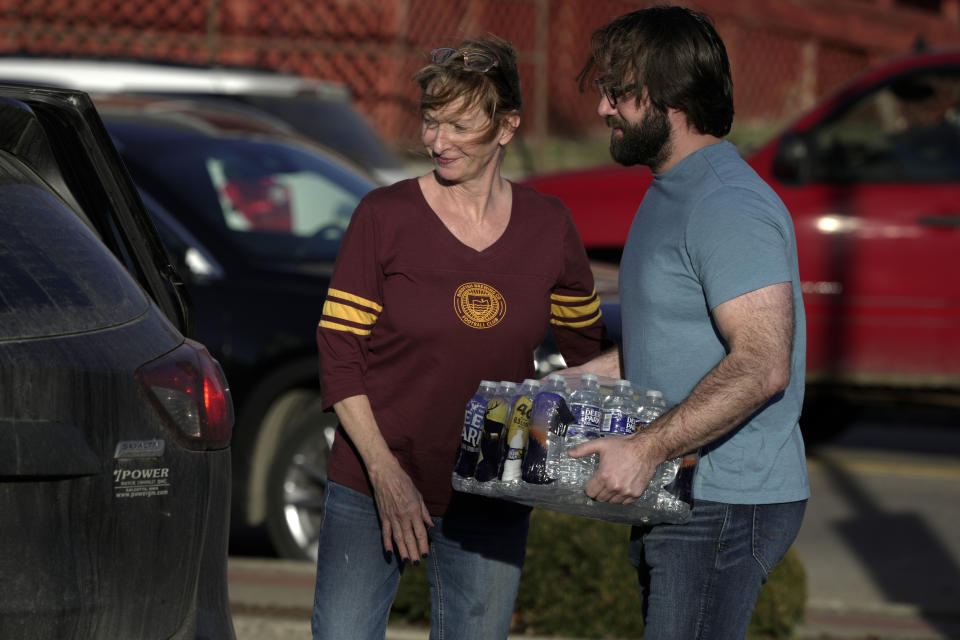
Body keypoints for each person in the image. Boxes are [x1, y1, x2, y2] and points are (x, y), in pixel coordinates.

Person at [311, 36, 606, 640]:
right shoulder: (383, 215)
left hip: (491, 489)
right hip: (372, 482)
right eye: (431, 121)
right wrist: (385, 473)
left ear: (507, 127)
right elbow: (340, 357)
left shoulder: (550, 227)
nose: (437, 141)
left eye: (460, 125)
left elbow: (593, 358)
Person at [565, 6, 810, 638]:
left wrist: (645, 450)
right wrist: (570, 383)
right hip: (681, 489)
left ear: (668, 98)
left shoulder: (726, 203)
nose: (603, 109)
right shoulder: (670, 189)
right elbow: (671, 337)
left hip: (724, 503)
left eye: (617, 92)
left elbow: (761, 363)